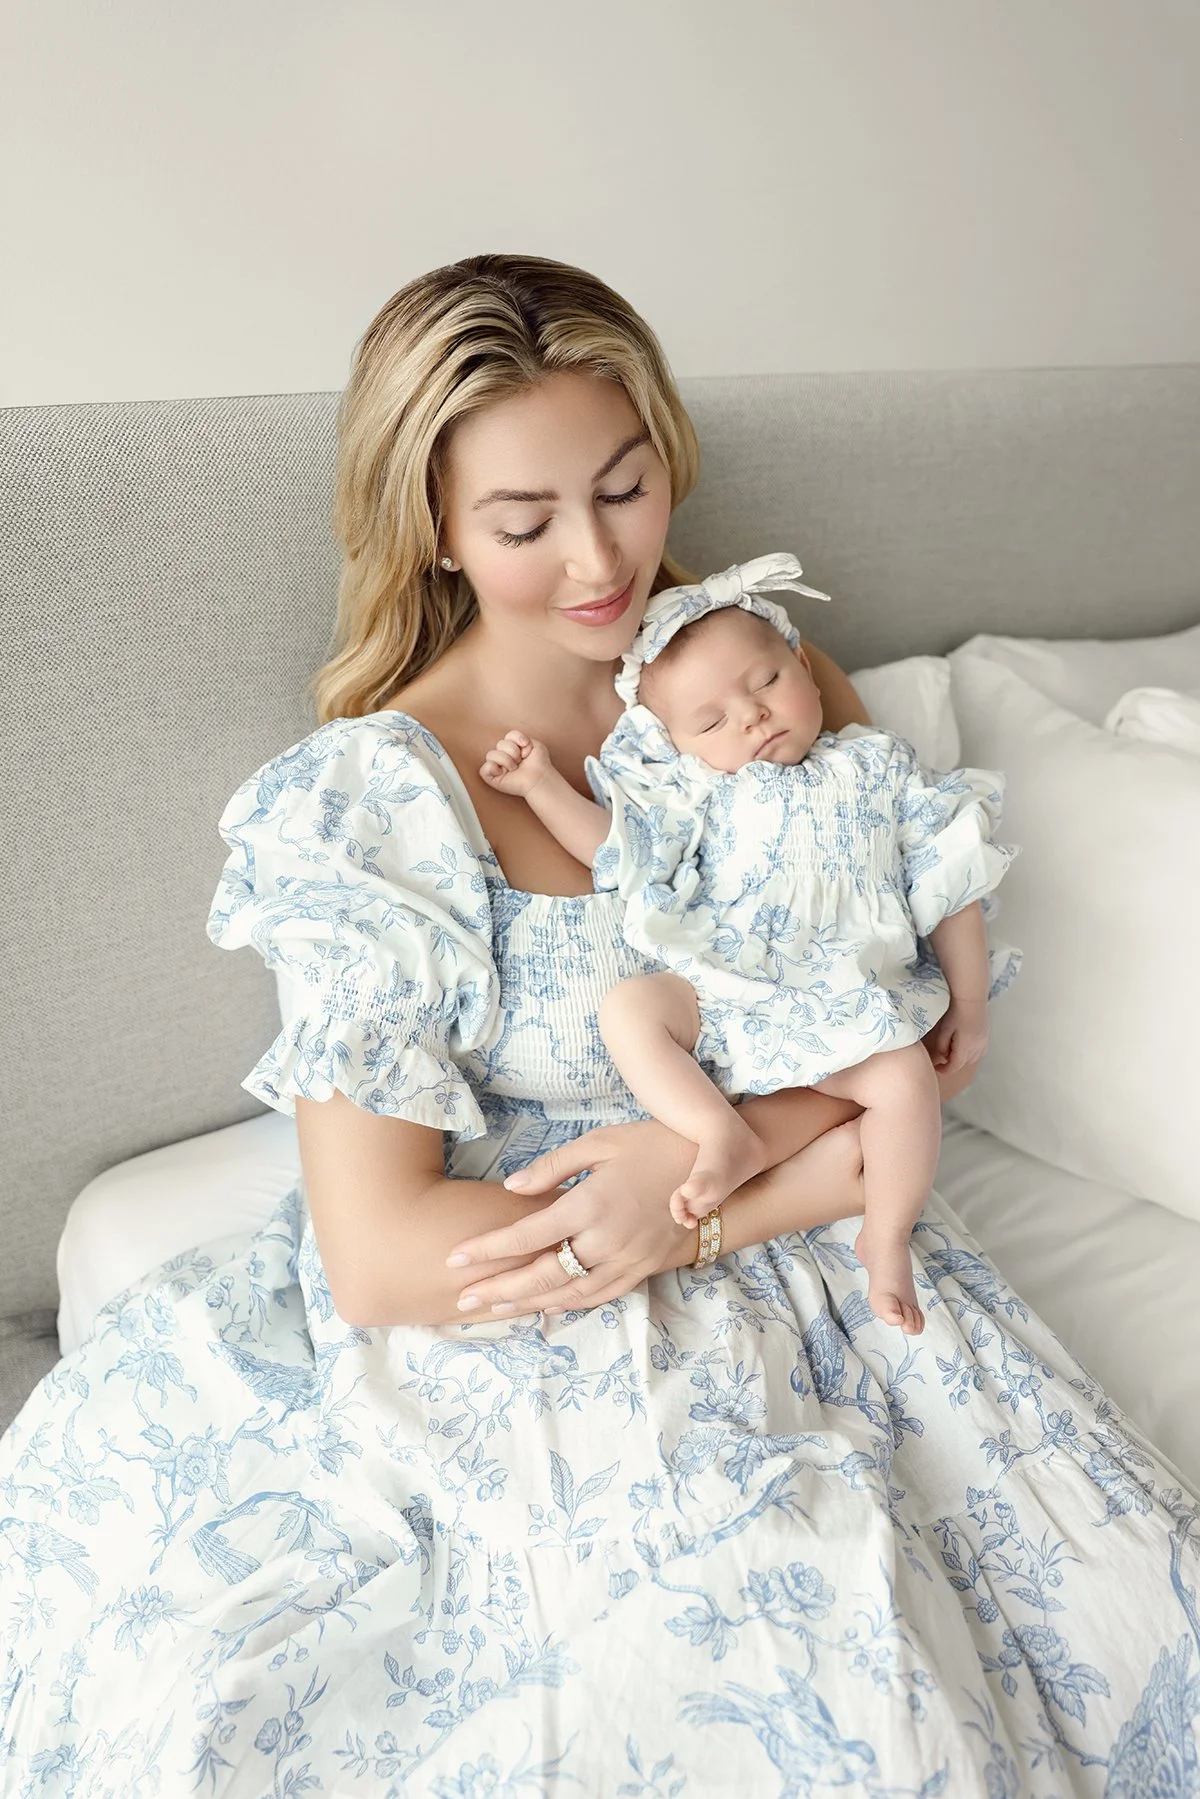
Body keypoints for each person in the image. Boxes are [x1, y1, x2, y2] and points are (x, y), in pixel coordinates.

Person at [1, 254, 1197, 1795]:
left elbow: (876, 1027)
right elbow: (376, 1253)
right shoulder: (376, 802)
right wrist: (652, 1214)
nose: (599, 556)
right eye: (524, 521)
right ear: (430, 521)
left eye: (627, 487)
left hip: (810, 1238)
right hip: (525, 1297)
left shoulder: (766, 684)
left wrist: (691, 1190)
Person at [478, 555, 1018, 1336]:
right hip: (727, 989)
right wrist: (541, 789)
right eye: (710, 720)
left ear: (802, 663)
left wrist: (968, 1001)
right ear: (676, 744)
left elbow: (950, 882)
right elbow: (621, 852)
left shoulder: (876, 765)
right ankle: (717, 1129)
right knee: (632, 1008)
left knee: (904, 1078)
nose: (752, 717)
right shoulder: (701, 794)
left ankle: (888, 1235)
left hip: (840, 1000)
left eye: (764, 683)